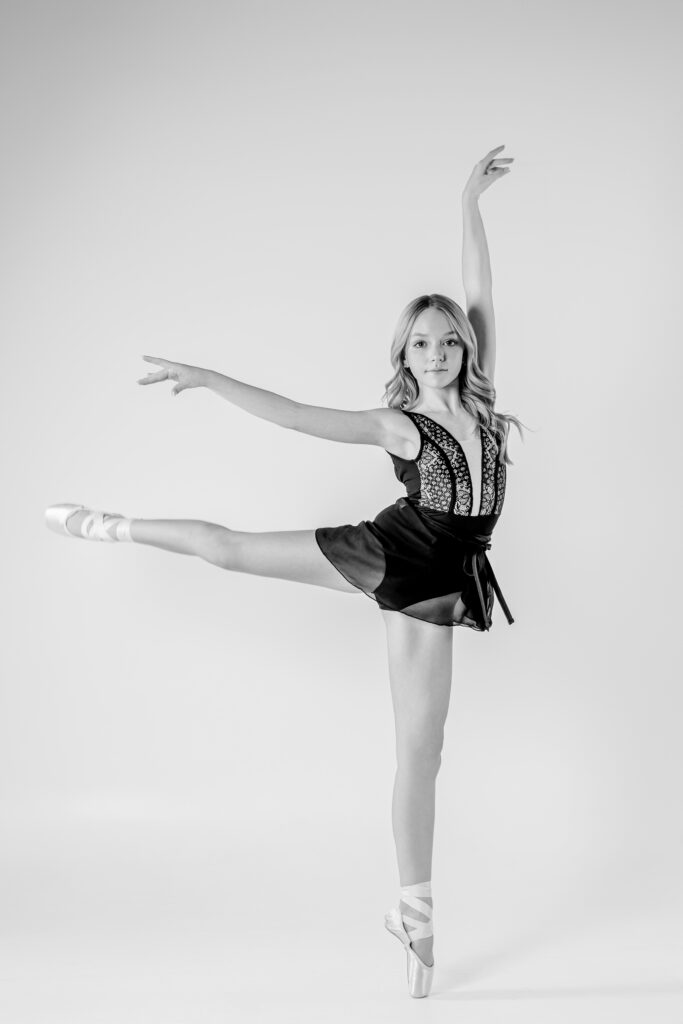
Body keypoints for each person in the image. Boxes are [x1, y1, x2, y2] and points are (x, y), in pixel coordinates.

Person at [45, 145, 524, 998]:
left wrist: (469, 202)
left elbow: (479, 289)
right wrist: (206, 377)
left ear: (464, 347)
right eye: (422, 342)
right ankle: (107, 524)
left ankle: (409, 912)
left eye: (449, 340)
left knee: (423, 751)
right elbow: (299, 417)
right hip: (398, 557)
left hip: (447, 573)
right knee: (231, 548)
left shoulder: (482, 407)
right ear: (404, 354)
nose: (439, 350)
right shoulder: (397, 423)